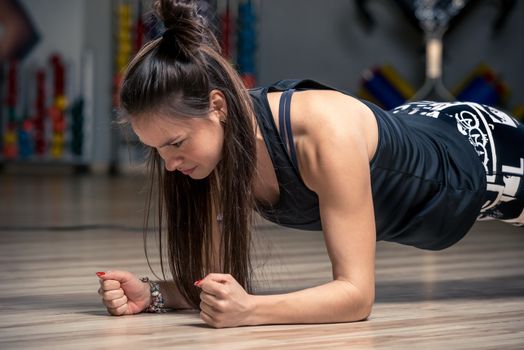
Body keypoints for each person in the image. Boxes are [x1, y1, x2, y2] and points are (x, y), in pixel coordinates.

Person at [96, 0, 524, 328]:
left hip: (479, 158)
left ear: (217, 106)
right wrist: (152, 294)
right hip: (423, 129)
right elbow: (211, 283)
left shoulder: (322, 134)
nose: (169, 164)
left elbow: (356, 297)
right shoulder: (215, 151)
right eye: (157, 151)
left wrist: (251, 311)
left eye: (174, 144)